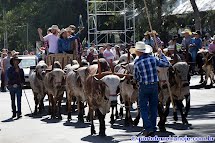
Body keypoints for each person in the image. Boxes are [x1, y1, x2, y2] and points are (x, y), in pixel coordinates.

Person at [133, 41, 170, 136]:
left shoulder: (137, 62)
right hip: (154, 86)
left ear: (139, 52)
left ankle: (148, 127)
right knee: (153, 107)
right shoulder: (153, 59)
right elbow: (166, 64)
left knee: (143, 108)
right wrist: (161, 55)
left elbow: (136, 77)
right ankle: (152, 128)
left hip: (144, 86)